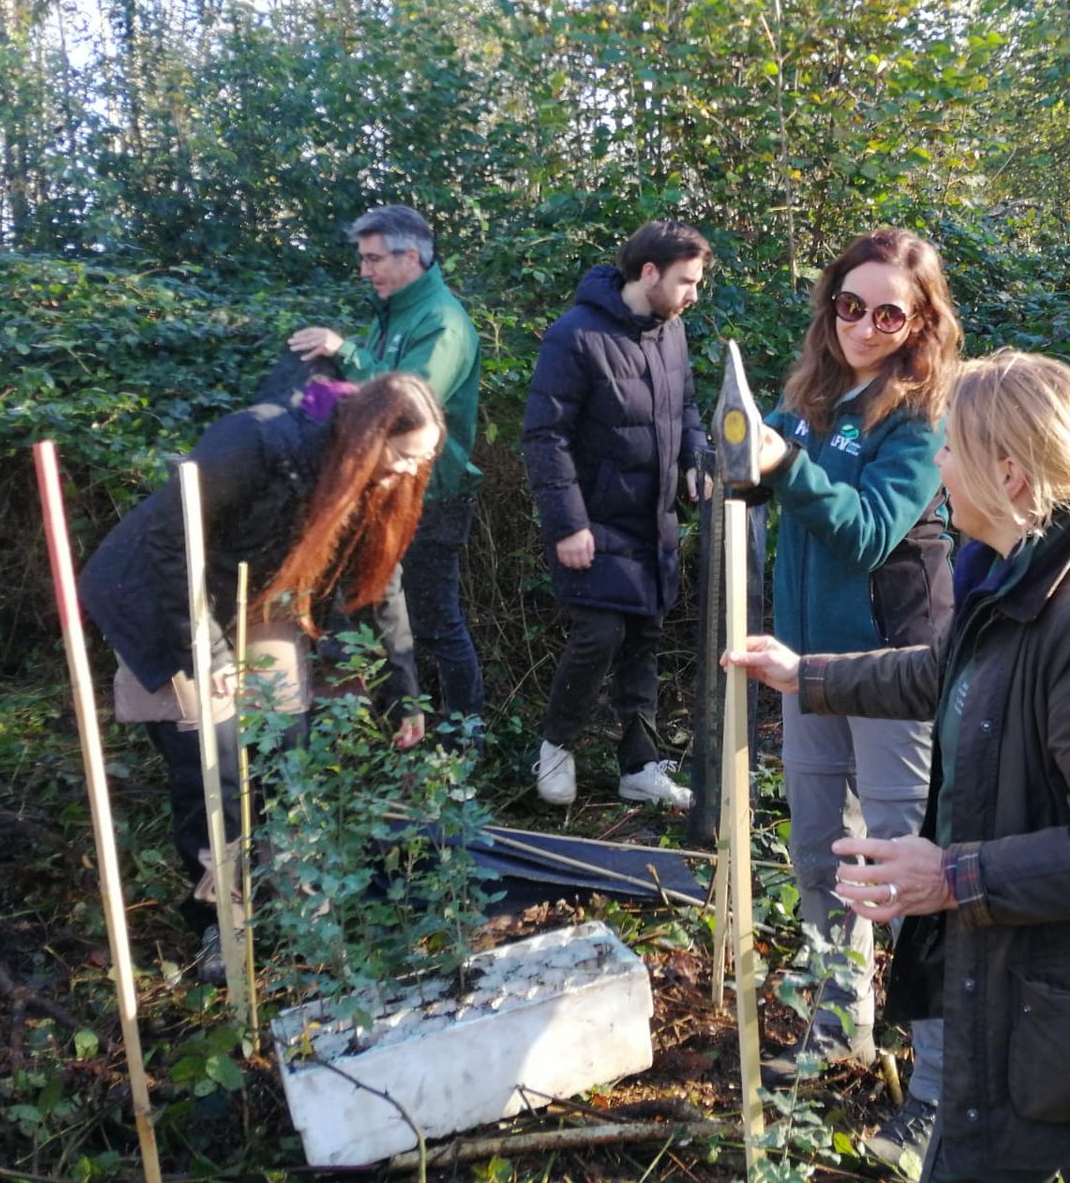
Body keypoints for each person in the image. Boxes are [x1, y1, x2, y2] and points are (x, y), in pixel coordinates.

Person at [728, 350, 1070, 1183]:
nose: (936, 462)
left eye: (951, 448)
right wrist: (811, 676)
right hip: (1027, 978)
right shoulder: (1017, 578)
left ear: (1007, 474)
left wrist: (950, 877)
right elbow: (944, 673)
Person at [79, 372, 446, 967]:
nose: (409, 470)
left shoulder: (379, 483)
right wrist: (210, 657)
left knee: (286, 752)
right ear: (367, 435)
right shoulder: (257, 441)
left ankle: (293, 899)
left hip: (257, 598)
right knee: (214, 763)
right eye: (404, 455)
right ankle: (221, 919)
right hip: (169, 599)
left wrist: (401, 695)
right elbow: (171, 542)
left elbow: (381, 588)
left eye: (422, 459)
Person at [744, 227, 962, 1171]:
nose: (865, 327)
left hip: (891, 666)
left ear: (919, 324)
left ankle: (940, 1090)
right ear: (829, 302)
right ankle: (840, 1025)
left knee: (906, 870)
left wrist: (787, 471)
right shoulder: (811, 394)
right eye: (850, 305)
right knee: (818, 850)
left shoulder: (922, 416)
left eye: (888, 313)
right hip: (805, 664)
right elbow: (786, 509)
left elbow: (870, 532)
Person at [522, 219, 712, 809]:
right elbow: (544, 435)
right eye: (686, 281)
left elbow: (686, 406)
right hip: (596, 522)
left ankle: (641, 766)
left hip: (653, 522)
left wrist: (693, 459)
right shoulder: (573, 336)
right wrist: (568, 523)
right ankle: (555, 748)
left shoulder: (671, 332)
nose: (693, 295)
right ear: (648, 273)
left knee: (644, 640)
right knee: (600, 633)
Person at [288, 205, 485, 744]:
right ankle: (396, 736)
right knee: (378, 612)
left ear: (412, 256)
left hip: (432, 493)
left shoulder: (443, 321)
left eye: (373, 259)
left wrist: (343, 350)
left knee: (435, 623)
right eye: (362, 259)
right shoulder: (390, 313)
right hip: (385, 490)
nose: (364, 270)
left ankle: (463, 746)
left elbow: (408, 401)